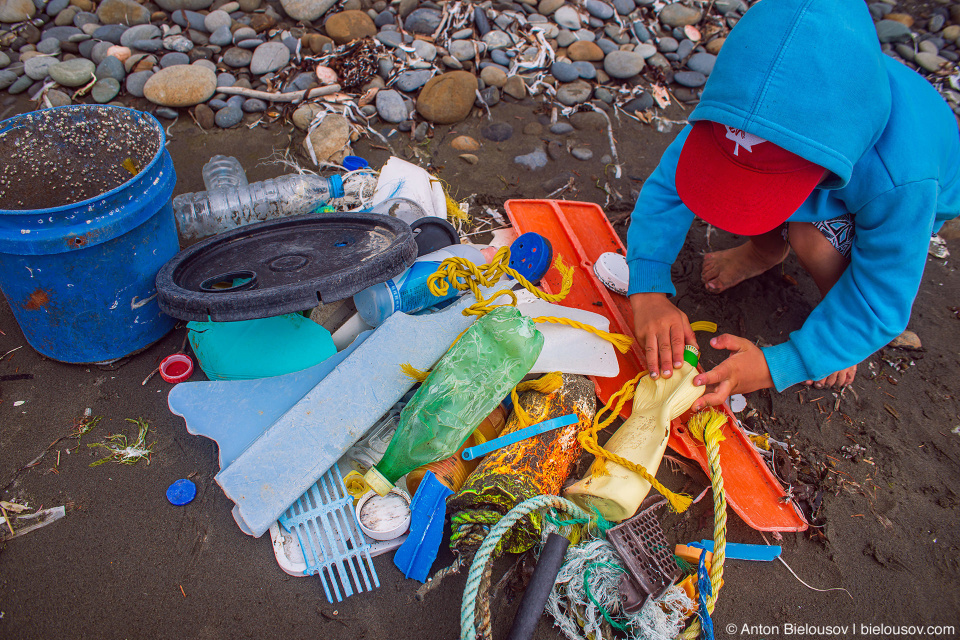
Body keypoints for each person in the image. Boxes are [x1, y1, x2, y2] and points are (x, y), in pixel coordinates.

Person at [625, 0, 960, 412]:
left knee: (811, 238)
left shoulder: (902, 179)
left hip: (905, 193)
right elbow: (669, 186)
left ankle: (838, 332)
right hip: (825, 164)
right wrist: (647, 288)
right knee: (749, 195)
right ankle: (764, 250)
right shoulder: (738, 113)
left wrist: (780, 363)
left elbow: (884, 293)